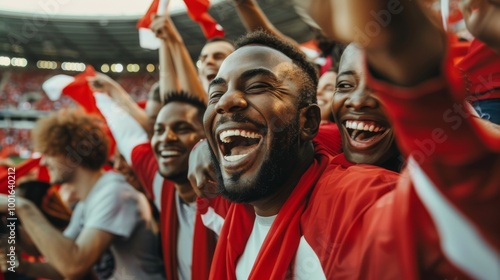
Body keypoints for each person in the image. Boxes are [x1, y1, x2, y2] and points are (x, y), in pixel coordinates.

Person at [305, 0, 499, 278]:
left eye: (379, 85)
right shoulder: (317, 161)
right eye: (345, 85)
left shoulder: (455, 178)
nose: (358, 100)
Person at [204, 30, 400, 279]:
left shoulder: (365, 202)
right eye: (215, 95)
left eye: (257, 86)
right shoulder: (236, 209)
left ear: (308, 122)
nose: (225, 102)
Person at [0, 110, 164, 279]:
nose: (43, 162)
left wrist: (21, 207)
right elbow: (62, 263)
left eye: (49, 153)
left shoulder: (115, 193)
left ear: (68, 153)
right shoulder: (89, 200)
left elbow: (74, 265)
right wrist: (23, 264)